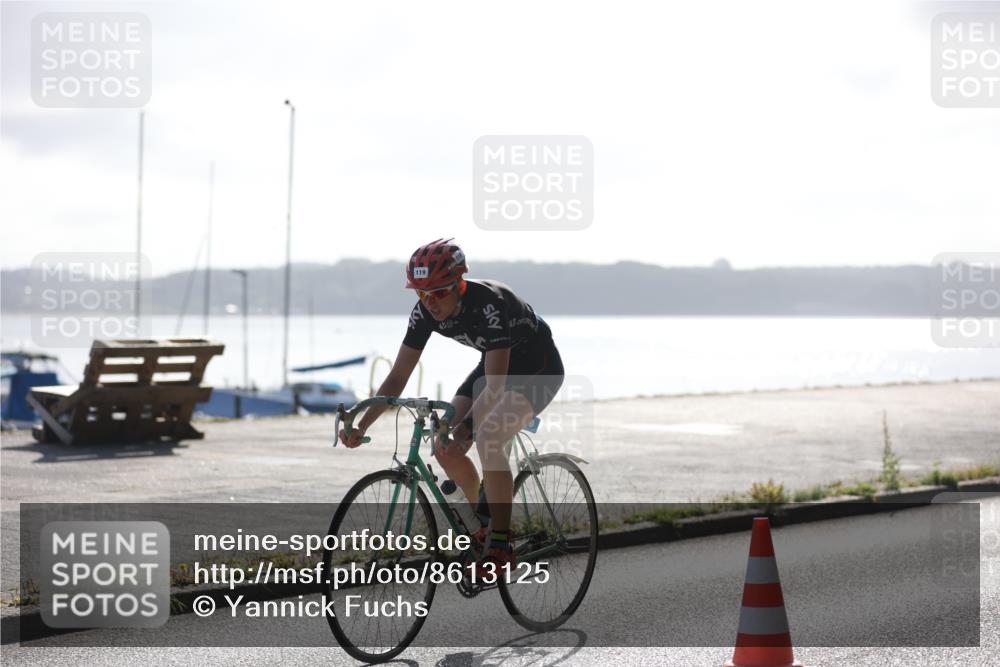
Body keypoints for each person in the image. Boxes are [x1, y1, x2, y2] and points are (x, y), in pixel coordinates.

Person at [339, 238, 564, 573]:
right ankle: (483, 525)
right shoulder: (424, 312)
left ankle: (501, 544)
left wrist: (467, 429)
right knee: (445, 446)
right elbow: (399, 374)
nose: (430, 302)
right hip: (493, 367)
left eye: (439, 293)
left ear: (459, 284)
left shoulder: (490, 304)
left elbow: (496, 386)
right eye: (421, 294)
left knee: (488, 437)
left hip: (537, 370)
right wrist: (363, 424)